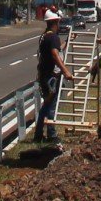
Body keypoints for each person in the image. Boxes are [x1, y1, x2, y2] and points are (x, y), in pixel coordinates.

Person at [33, 8, 70, 143]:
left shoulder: (45, 36)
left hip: (44, 74)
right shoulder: (53, 37)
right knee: (52, 106)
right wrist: (65, 71)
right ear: (55, 21)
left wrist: (67, 42)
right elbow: (55, 54)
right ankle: (52, 135)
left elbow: (56, 50)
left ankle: (38, 134)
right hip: (51, 76)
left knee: (46, 105)